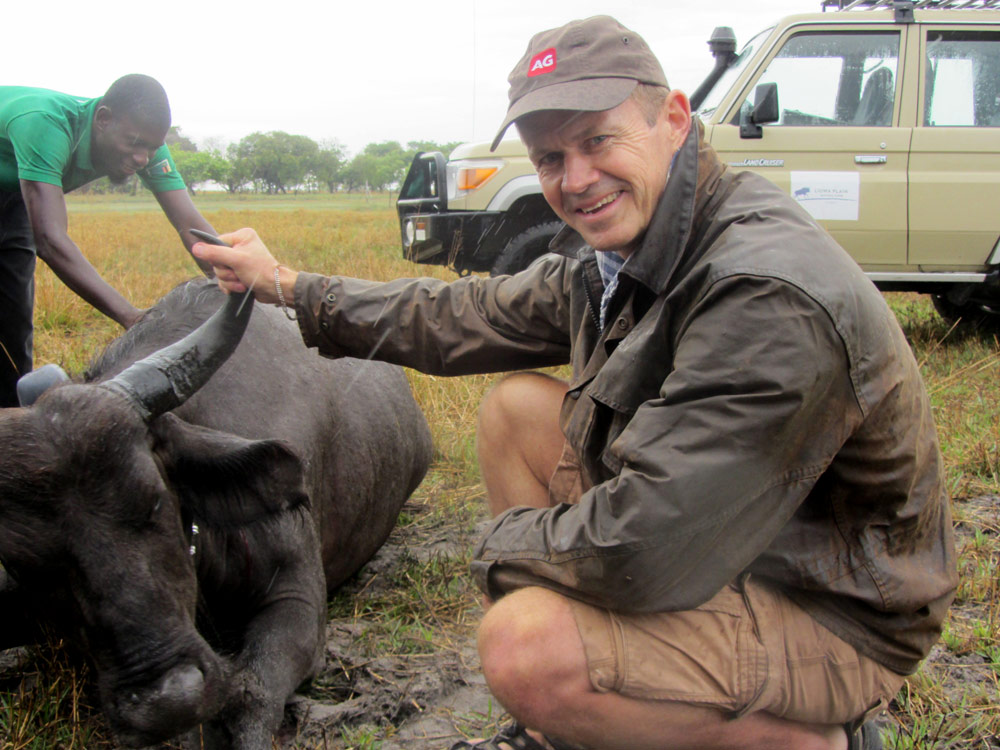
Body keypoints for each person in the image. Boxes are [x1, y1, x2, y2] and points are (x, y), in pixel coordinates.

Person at [192, 16, 957, 750]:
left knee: (528, 649)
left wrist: (497, 548)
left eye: (597, 140)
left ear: (675, 119)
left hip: (831, 607)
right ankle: (589, 719)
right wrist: (291, 287)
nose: (577, 179)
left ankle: (806, 739)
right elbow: (463, 314)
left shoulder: (764, 293)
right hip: (742, 541)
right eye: (551, 159)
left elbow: (644, 550)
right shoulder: (638, 246)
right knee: (516, 414)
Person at [0, 74, 217, 407]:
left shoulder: (146, 146)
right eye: (134, 143)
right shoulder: (45, 124)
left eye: (151, 147)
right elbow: (50, 239)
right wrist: (131, 317)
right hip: (19, 190)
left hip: (12, 195)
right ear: (103, 119)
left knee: (12, 326)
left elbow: (190, 225)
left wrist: (246, 283)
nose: (142, 157)